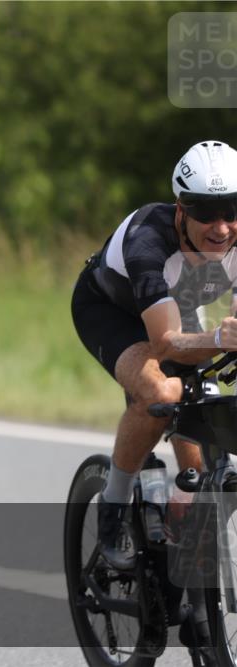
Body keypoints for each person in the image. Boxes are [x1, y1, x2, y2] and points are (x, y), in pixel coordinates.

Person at [72, 140, 237, 570]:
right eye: (205, 212)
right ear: (181, 210)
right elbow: (165, 344)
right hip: (110, 310)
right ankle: (113, 507)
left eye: (232, 210)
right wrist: (222, 336)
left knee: (206, 403)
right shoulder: (149, 238)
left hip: (175, 308)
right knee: (160, 392)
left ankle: (189, 504)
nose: (221, 228)